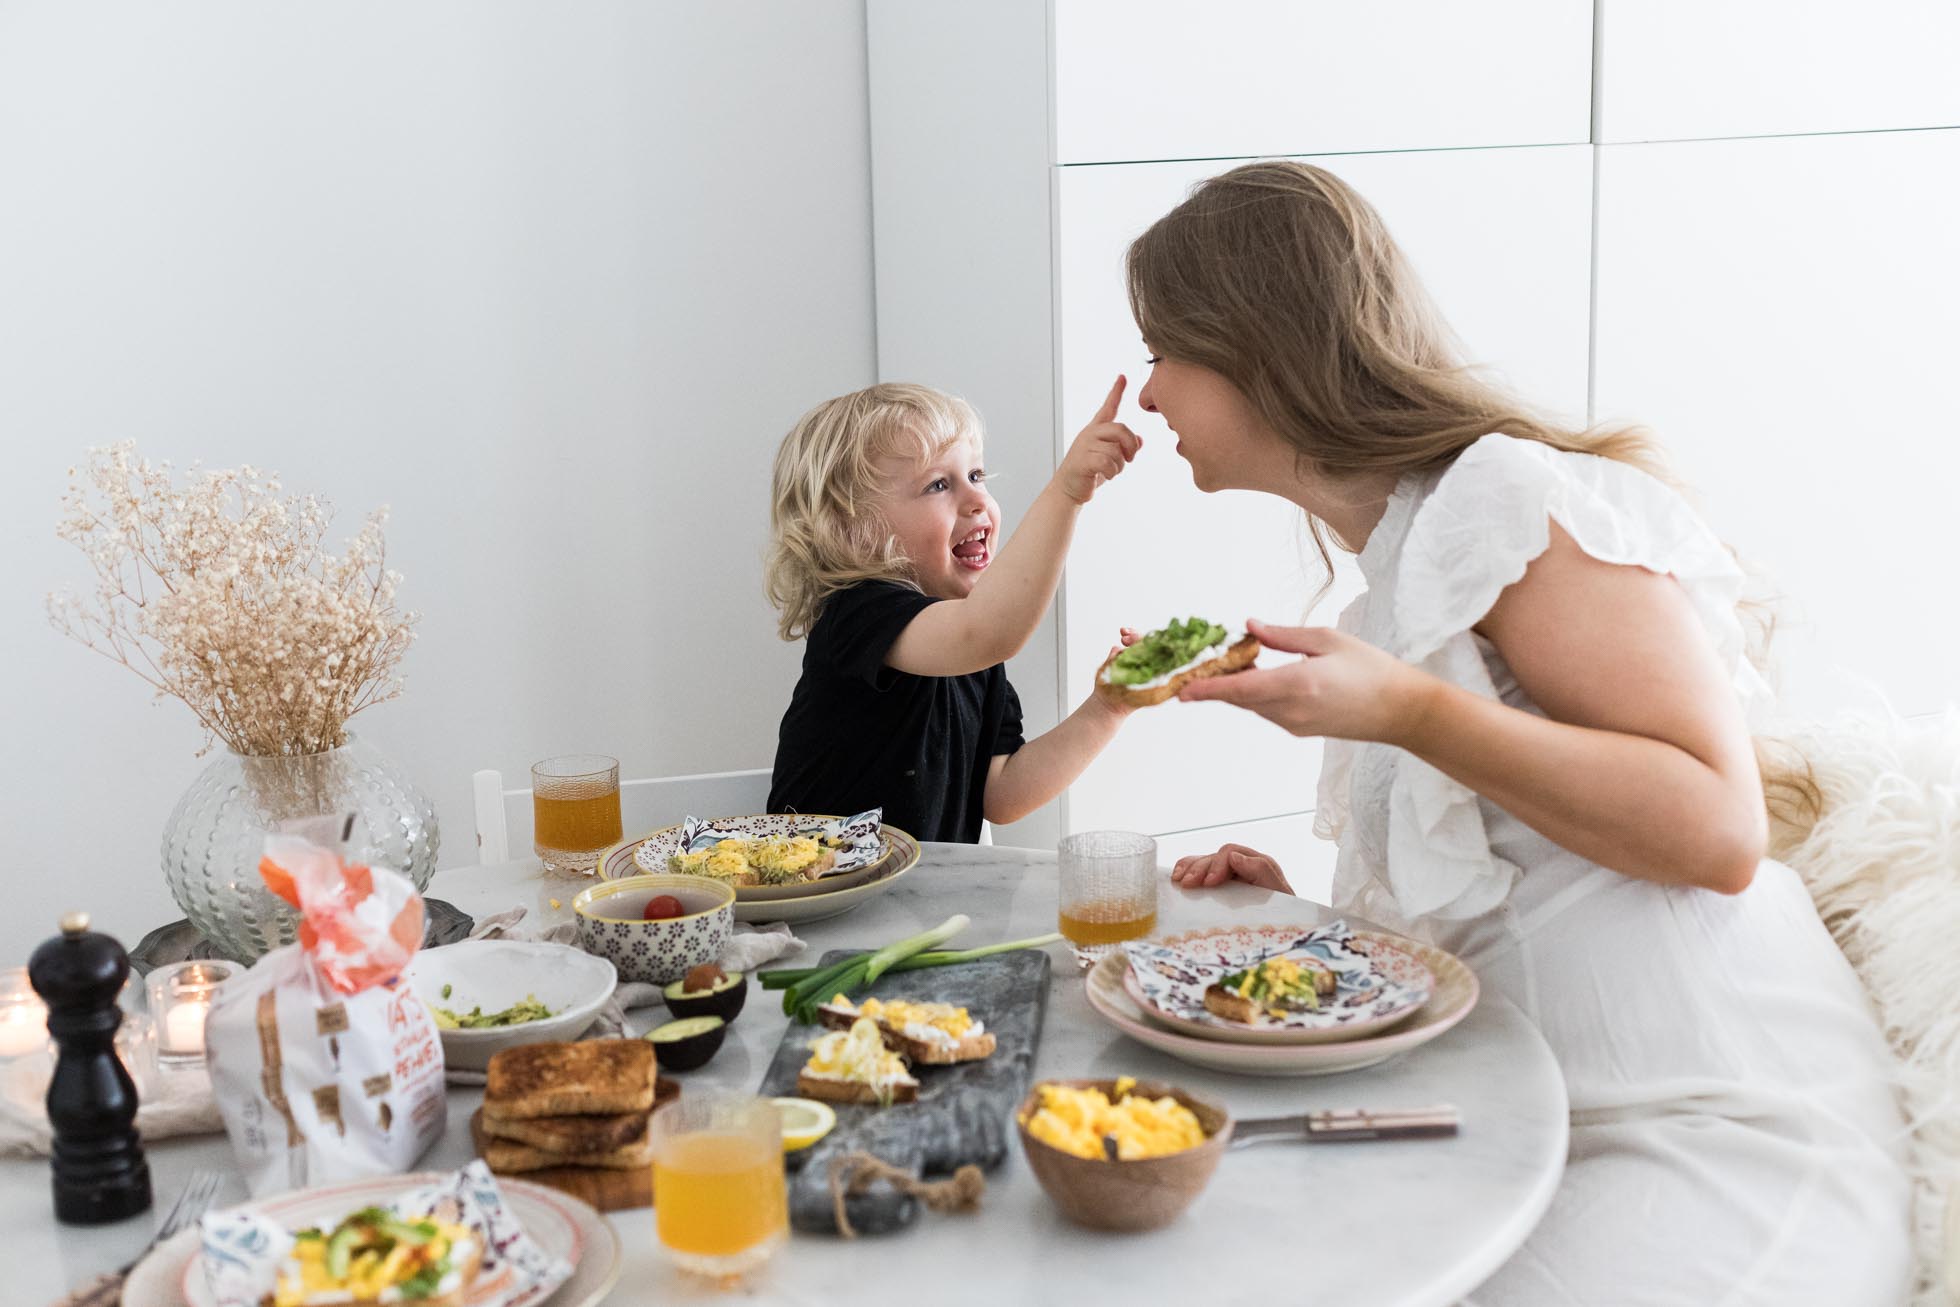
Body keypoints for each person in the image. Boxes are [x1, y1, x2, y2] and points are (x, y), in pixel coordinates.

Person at [1133, 161, 1910, 1303]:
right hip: (1527, 1128)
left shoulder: (1507, 499)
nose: (1145, 397)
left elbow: (1716, 826)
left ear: (1251, 349)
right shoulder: (1393, 581)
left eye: (1160, 352)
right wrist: (1304, 917)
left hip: (1712, 1129)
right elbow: (1512, 885)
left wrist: (1408, 709)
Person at [764, 381, 1140, 842]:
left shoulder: (973, 654)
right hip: (823, 901)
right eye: (938, 484)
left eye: (977, 476)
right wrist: (1067, 493)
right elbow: (985, 631)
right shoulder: (857, 613)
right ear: (854, 531)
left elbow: (1002, 796)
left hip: (919, 905)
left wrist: (1107, 708)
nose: (977, 499)